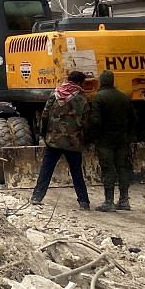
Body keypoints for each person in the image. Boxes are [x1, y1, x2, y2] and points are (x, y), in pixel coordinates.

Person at [33, 71, 92, 209]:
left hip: (53, 140)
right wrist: (87, 140)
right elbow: (86, 122)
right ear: (79, 83)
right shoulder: (82, 99)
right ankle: (84, 202)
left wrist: (43, 134)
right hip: (73, 142)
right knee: (76, 172)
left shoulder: (55, 94)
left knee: (46, 170)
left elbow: (45, 116)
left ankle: (37, 196)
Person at [89, 70, 135, 211]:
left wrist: (93, 137)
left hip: (105, 140)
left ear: (102, 81)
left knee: (108, 168)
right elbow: (133, 118)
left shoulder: (99, 98)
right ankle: (124, 200)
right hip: (121, 139)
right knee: (122, 167)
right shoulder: (123, 97)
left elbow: (96, 121)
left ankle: (109, 201)